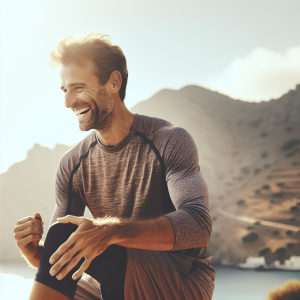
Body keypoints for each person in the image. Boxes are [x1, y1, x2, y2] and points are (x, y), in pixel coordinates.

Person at [13, 33, 216, 300]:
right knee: (62, 237)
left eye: (78, 87)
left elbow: (198, 226)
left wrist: (109, 232)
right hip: (116, 280)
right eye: (65, 90)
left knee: (65, 232)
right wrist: (32, 252)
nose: (68, 102)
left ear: (113, 82)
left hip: (180, 281)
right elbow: (60, 258)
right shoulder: (72, 164)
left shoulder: (169, 139)